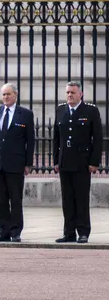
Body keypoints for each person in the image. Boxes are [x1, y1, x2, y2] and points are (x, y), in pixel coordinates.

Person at [0, 83, 35, 242]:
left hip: (15, 163)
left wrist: (28, 163)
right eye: (3, 94)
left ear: (15, 95)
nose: (5, 97)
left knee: (15, 198)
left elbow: (30, 140)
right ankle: (2, 230)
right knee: (0, 199)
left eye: (8, 94)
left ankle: (15, 231)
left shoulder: (25, 114)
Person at [53, 81, 102, 243]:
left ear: (80, 94)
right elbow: (56, 139)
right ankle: (69, 232)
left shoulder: (90, 110)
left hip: (82, 162)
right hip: (65, 161)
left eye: (73, 92)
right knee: (67, 199)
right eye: (67, 92)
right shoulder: (61, 110)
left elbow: (97, 139)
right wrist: (55, 160)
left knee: (81, 198)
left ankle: (83, 232)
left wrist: (94, 162)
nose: (69, 95)